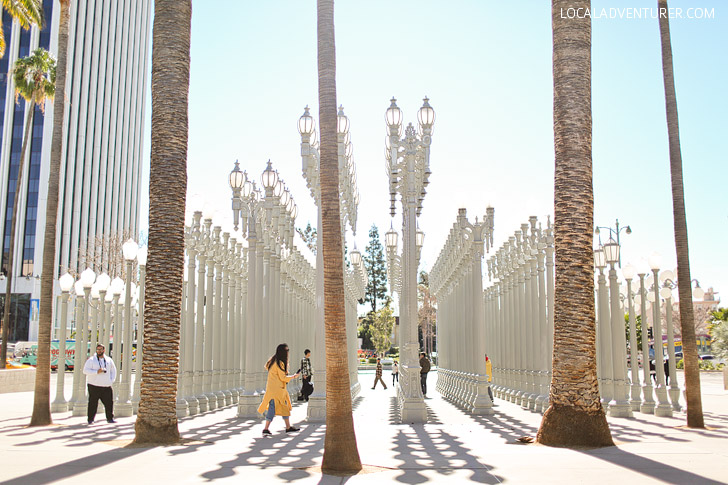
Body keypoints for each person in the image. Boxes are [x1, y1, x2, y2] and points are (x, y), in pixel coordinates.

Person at [257, 343, 301, 436]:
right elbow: (283, 378)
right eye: (287, 350)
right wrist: (294, 376)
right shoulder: (279, 363)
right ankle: (266, 428)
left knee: (282, 406)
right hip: (277, 390)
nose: (288, 352)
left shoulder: (273, 361)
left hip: (274, 389)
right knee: (273, 408)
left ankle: (288, 427)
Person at [82, 344, 117, 424]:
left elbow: (113, 370)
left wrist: (111, 380)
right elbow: (85, 371)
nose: (99, 351)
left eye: (101, 349)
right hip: (94, 385)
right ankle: (90, 419)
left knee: (109, 403)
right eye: (98, 349)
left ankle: (110, 418)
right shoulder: (91, 360)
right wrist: (96, 372)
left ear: (104, 350)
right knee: (93, 403)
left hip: (106, 386)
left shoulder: (108, 360)